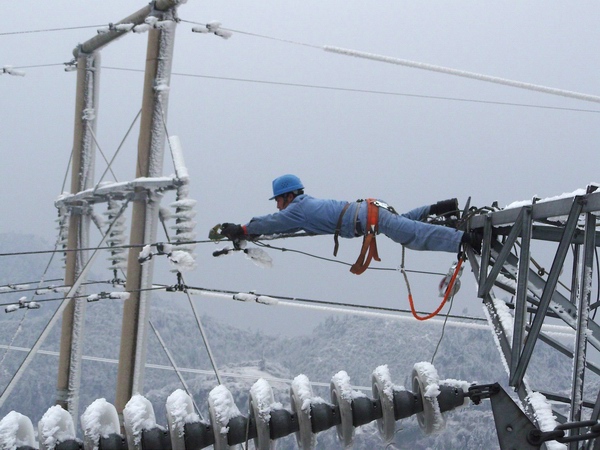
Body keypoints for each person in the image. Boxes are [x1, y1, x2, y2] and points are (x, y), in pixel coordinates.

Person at [219, 174, 481, 271]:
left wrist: (243, 229)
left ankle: (464, 240)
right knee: (407, 225)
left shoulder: (299, 209)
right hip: (372, 212)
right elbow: (280, 226)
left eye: (278, 199)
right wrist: (248, 232)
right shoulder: (304, 208)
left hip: (371, 215)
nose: (277, 204)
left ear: (289, 196)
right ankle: (441, 209)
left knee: (413, 236)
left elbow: (274, 222)